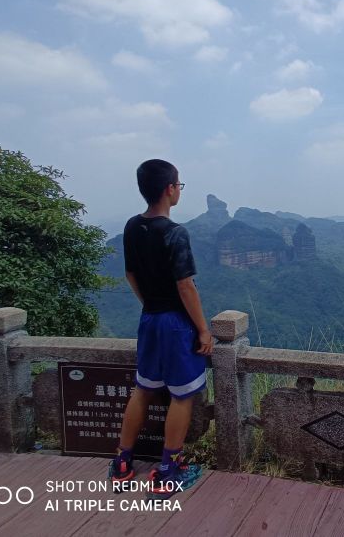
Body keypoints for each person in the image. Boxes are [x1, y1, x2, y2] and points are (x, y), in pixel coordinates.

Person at [107, 159, 214, 500]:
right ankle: (168, 470)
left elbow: (130, 275)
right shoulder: (174, 233)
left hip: (149, 319)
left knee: (144, 389)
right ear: (170, 189)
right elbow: (186, 286)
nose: (179, 190)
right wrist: (203, 330)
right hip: (174, 324)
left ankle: (122, 463)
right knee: (182, 396)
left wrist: (148, 304)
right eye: (179, 185)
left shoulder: (131, 226)